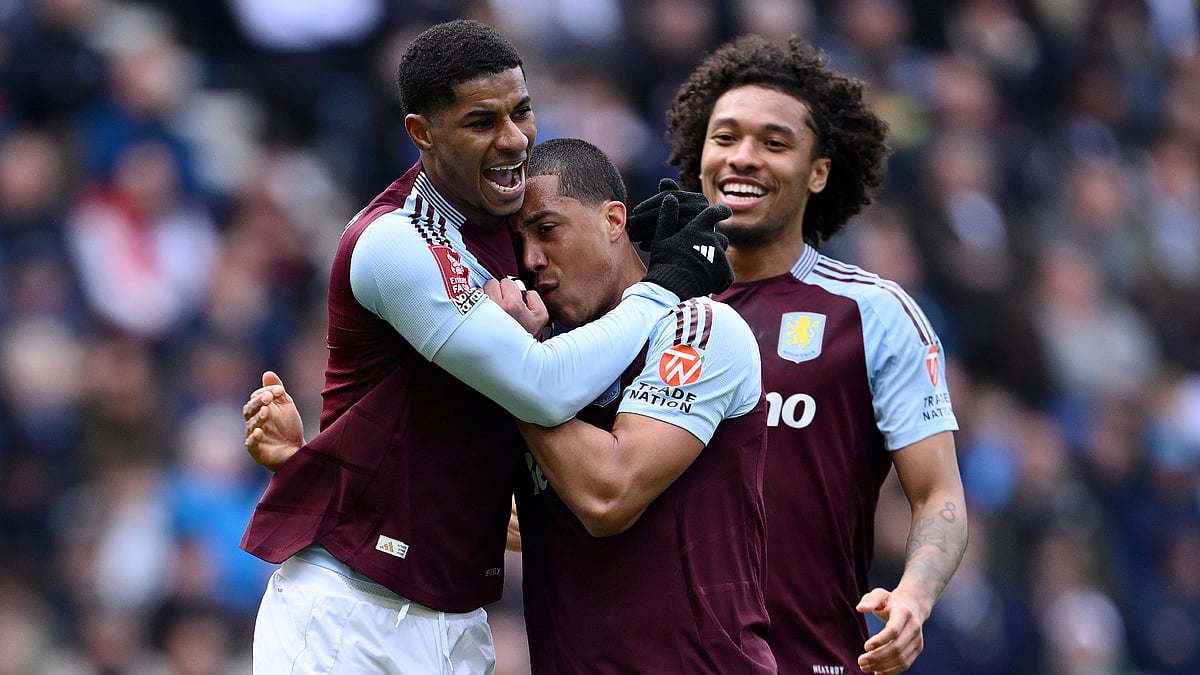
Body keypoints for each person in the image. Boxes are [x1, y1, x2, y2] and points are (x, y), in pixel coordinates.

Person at [237, 19, 733, 674]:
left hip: (457, 628)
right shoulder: (393, 244)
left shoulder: (516, 231)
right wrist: (667, 283)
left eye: (521, 112)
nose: (513, 139)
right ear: (422, 133)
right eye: (481, 122)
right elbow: (541, 386)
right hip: (349, 615)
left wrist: (625, 261)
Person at [631, 34, 969, 675]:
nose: (744, 158)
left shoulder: (873, 314)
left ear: (820, 172)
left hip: (810, 660)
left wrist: (915, 597)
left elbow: (938, 495)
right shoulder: (642, 310)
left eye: (774, 143)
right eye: (725, 137)